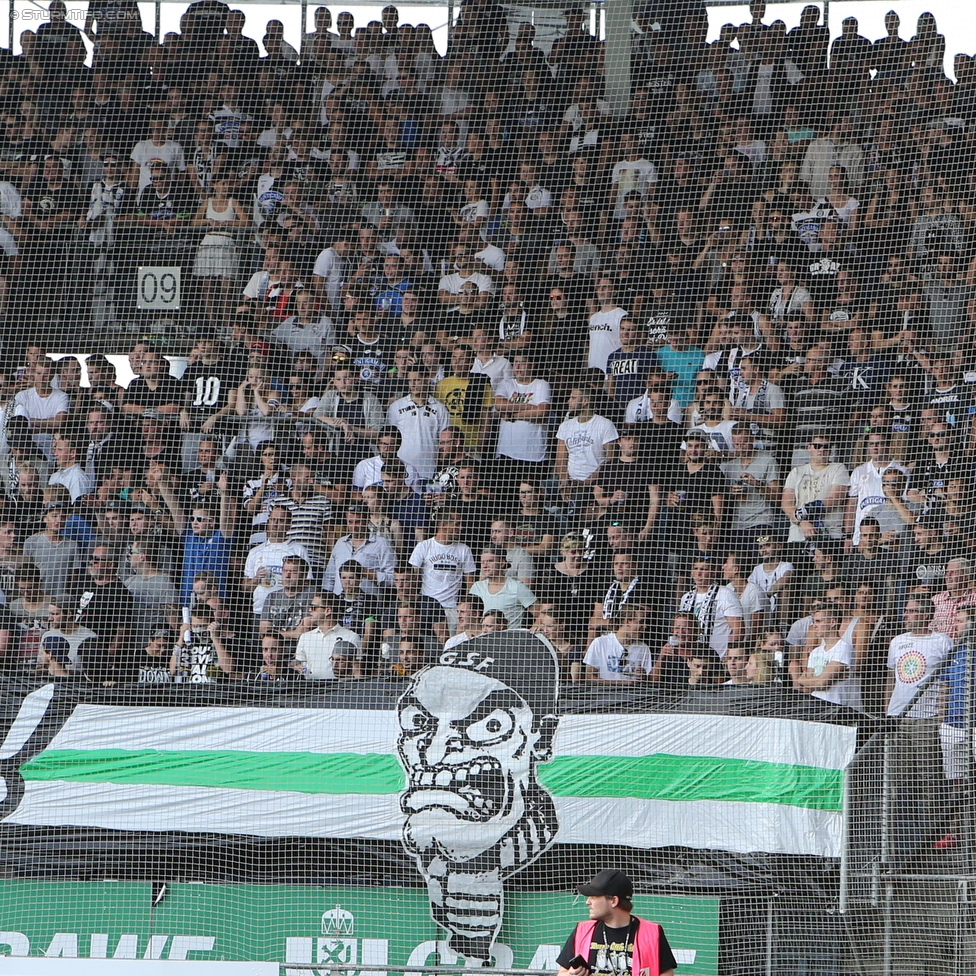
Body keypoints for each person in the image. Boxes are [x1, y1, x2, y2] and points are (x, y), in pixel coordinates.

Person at [556, 870, 677, 976]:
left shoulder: (652, 933)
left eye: (594, 896)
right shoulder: (582, 931)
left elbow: (666, 973)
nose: (587, 902)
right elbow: (562, 972)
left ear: (614, 901)